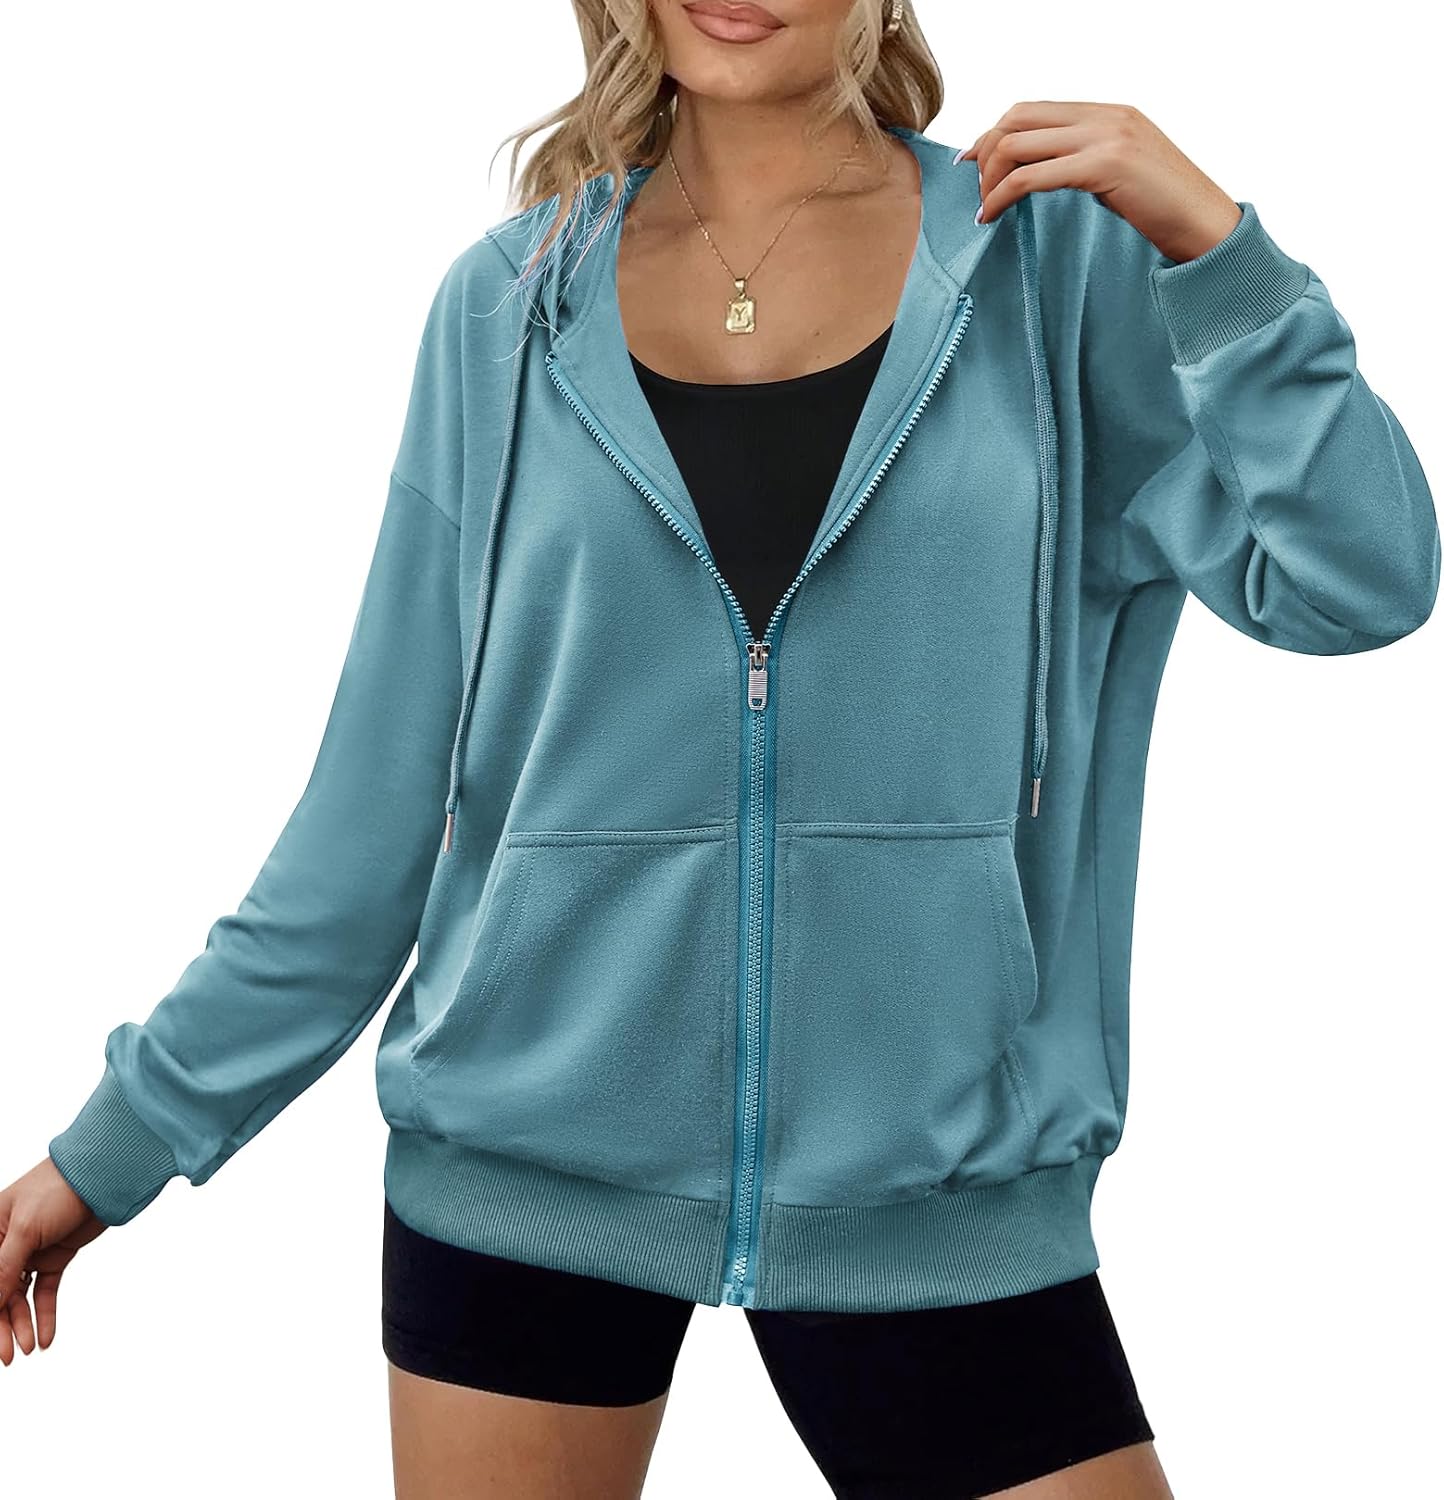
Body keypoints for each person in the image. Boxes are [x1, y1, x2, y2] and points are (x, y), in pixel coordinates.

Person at [4, 1, 1439, 1496]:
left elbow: (1365, 579)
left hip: (938, 1193)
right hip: (519, 1185)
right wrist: (113, 1150)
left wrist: (1220, 256)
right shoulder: (508, 308)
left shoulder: (1056, 272)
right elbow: (366, 827)